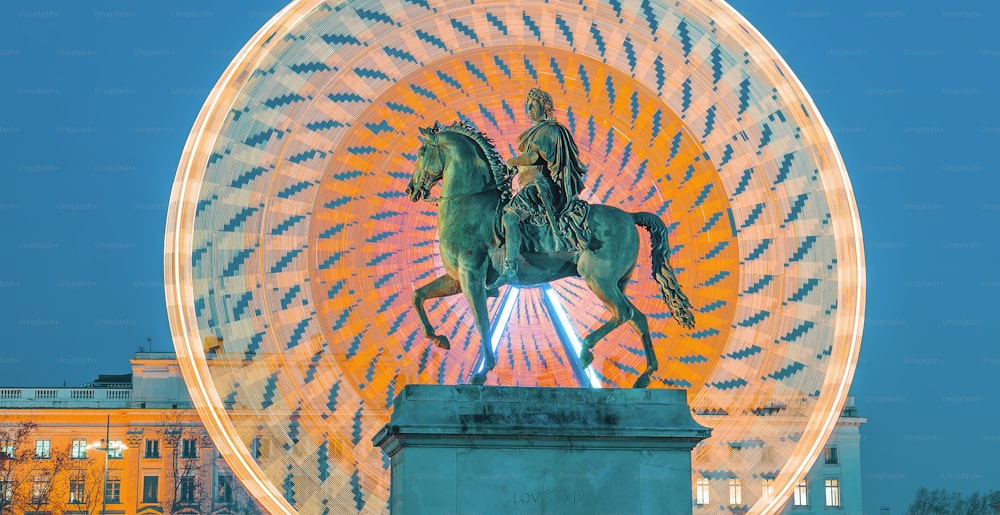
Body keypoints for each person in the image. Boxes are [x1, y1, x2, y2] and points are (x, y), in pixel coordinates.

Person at [489, 88, 588, 289]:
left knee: (510, 217)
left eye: (533, 106)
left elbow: (534, 157)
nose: (529, 110)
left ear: (544, 107)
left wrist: (512, 161)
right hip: (530, 186)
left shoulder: (549, 130)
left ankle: (509, 269)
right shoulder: (538, 131)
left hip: (541, 187)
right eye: (527, 106)